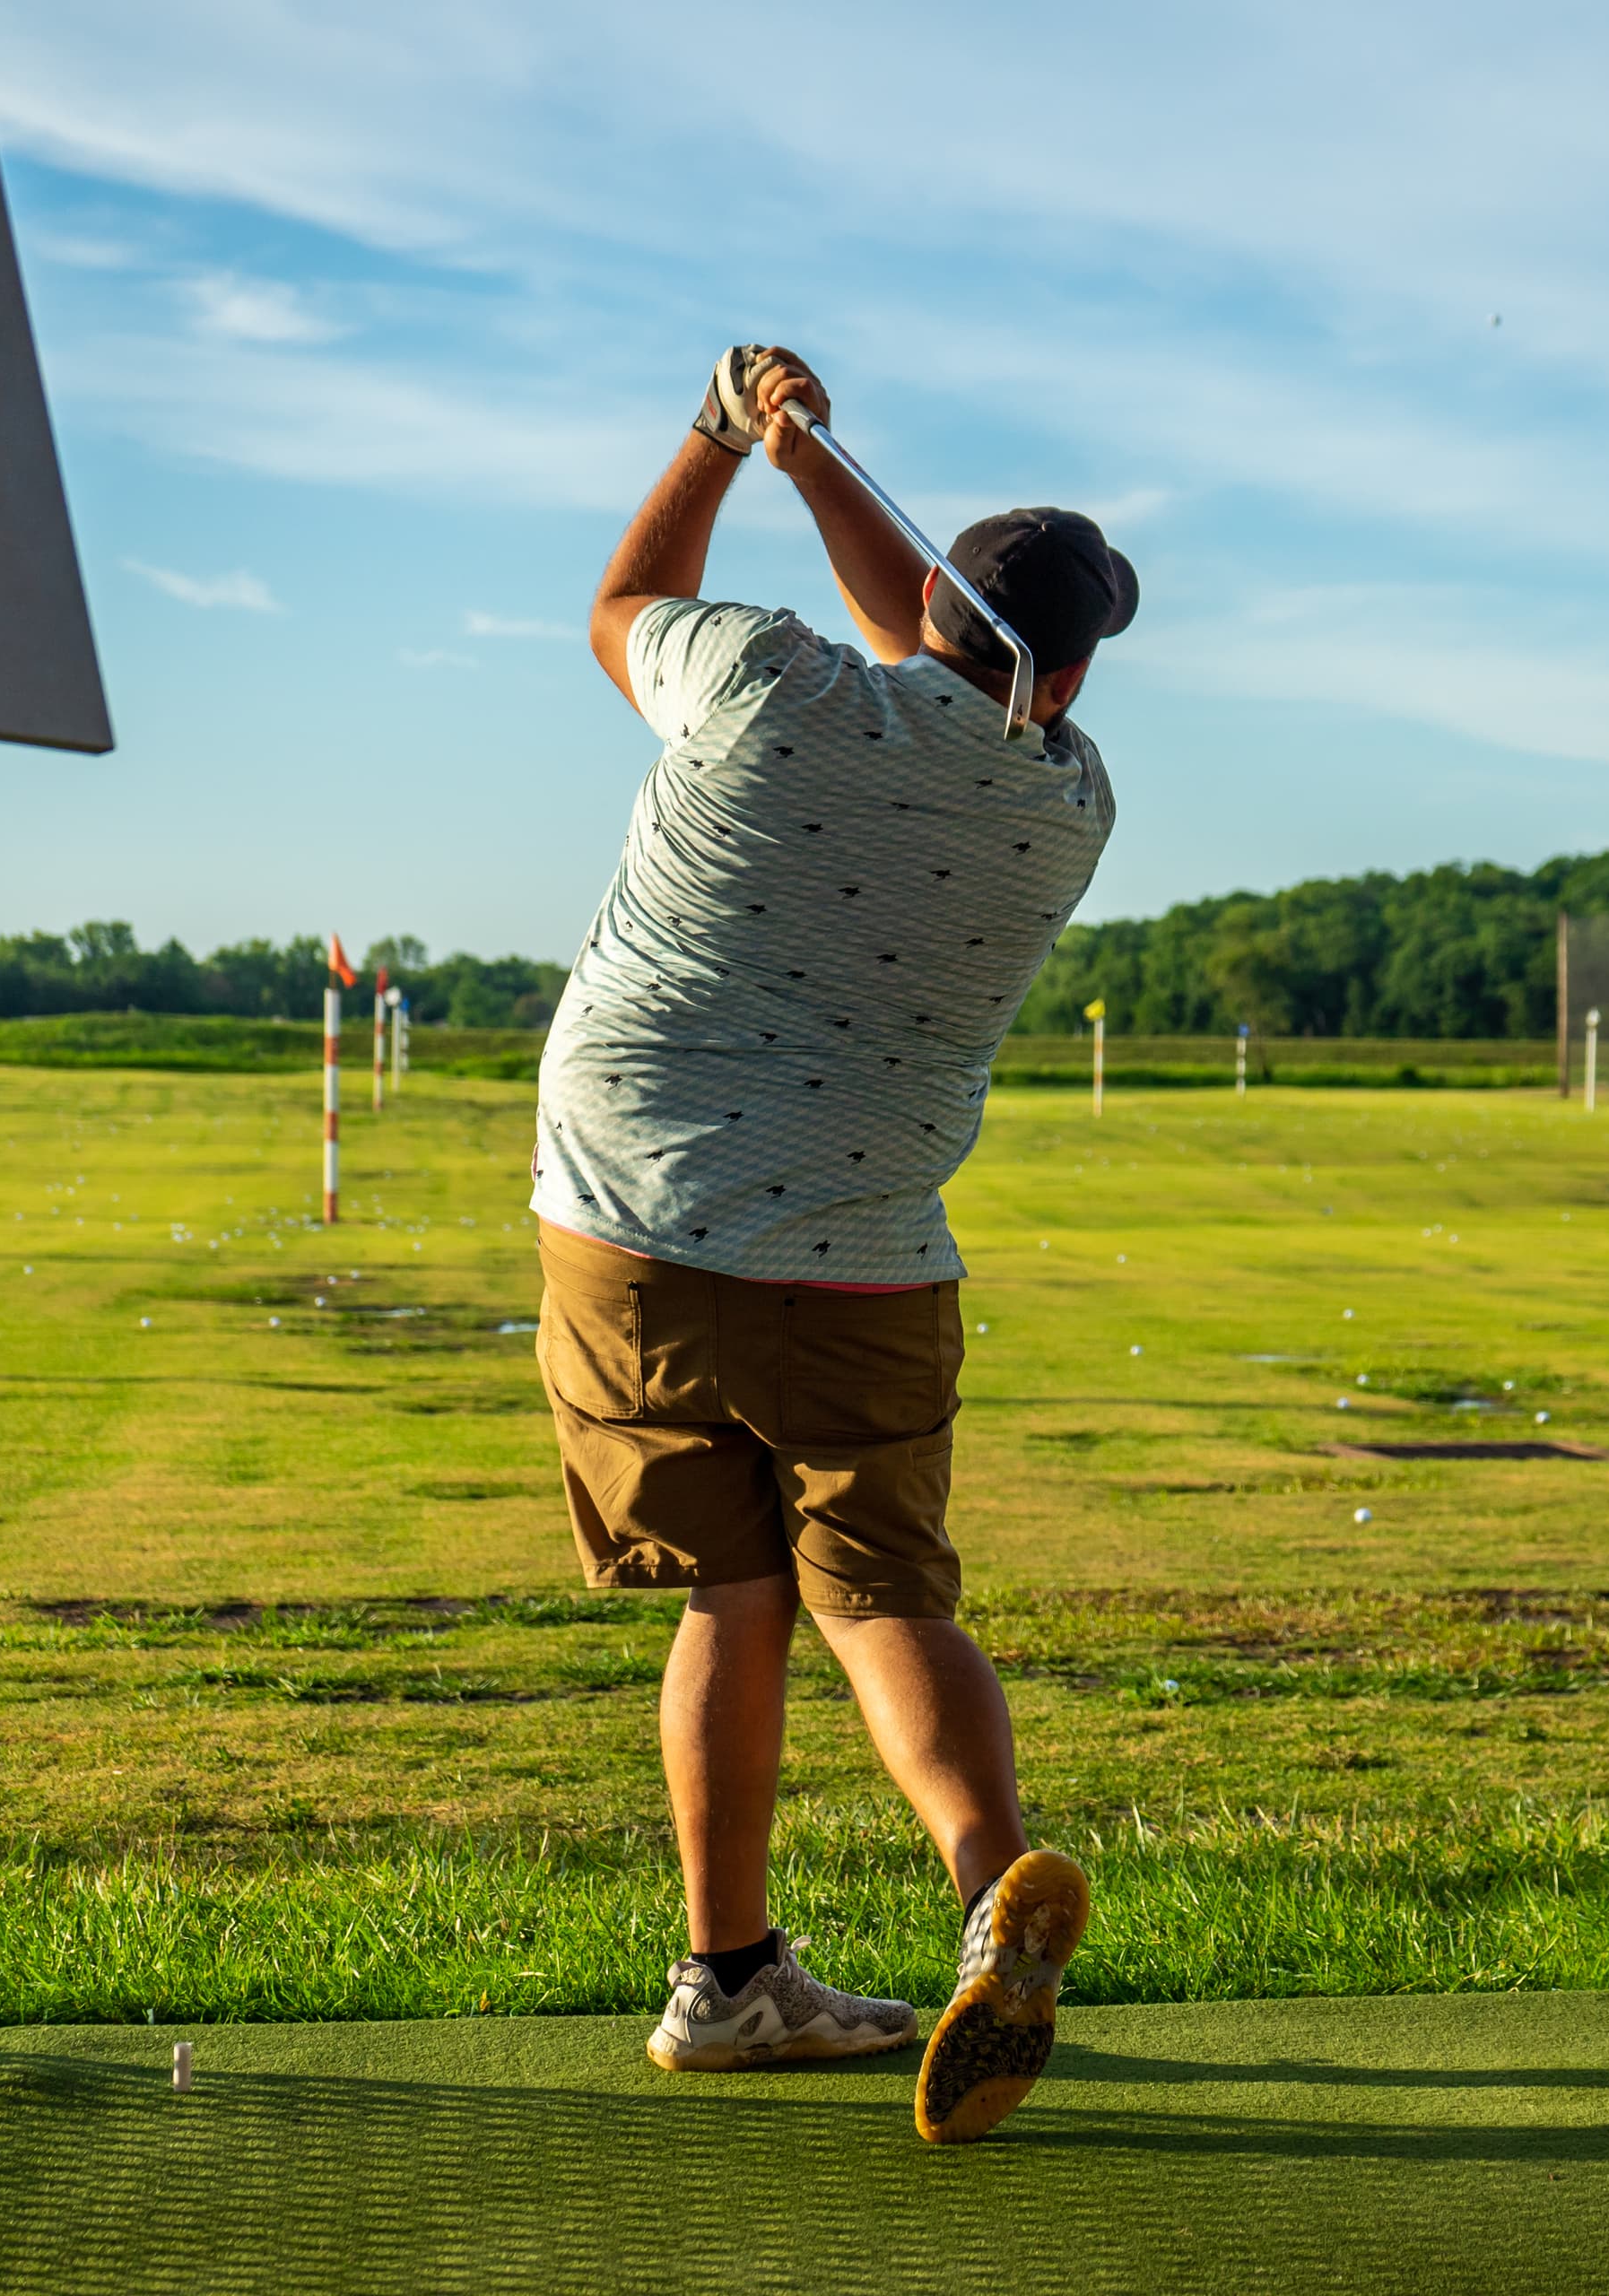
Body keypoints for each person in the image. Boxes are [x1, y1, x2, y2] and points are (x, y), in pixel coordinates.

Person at [530, 344, 1135, 2145]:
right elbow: (963, 664)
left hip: (632, 1220)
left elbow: (623, 602)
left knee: (730, 1592)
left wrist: (728, 441)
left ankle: (726, 1981)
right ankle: (985, 1888)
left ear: (932, 602)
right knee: (885, 1597)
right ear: (1081, 667)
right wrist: (815, 467)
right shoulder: (1068, 802)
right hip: (869, 1246)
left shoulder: (762, 684)